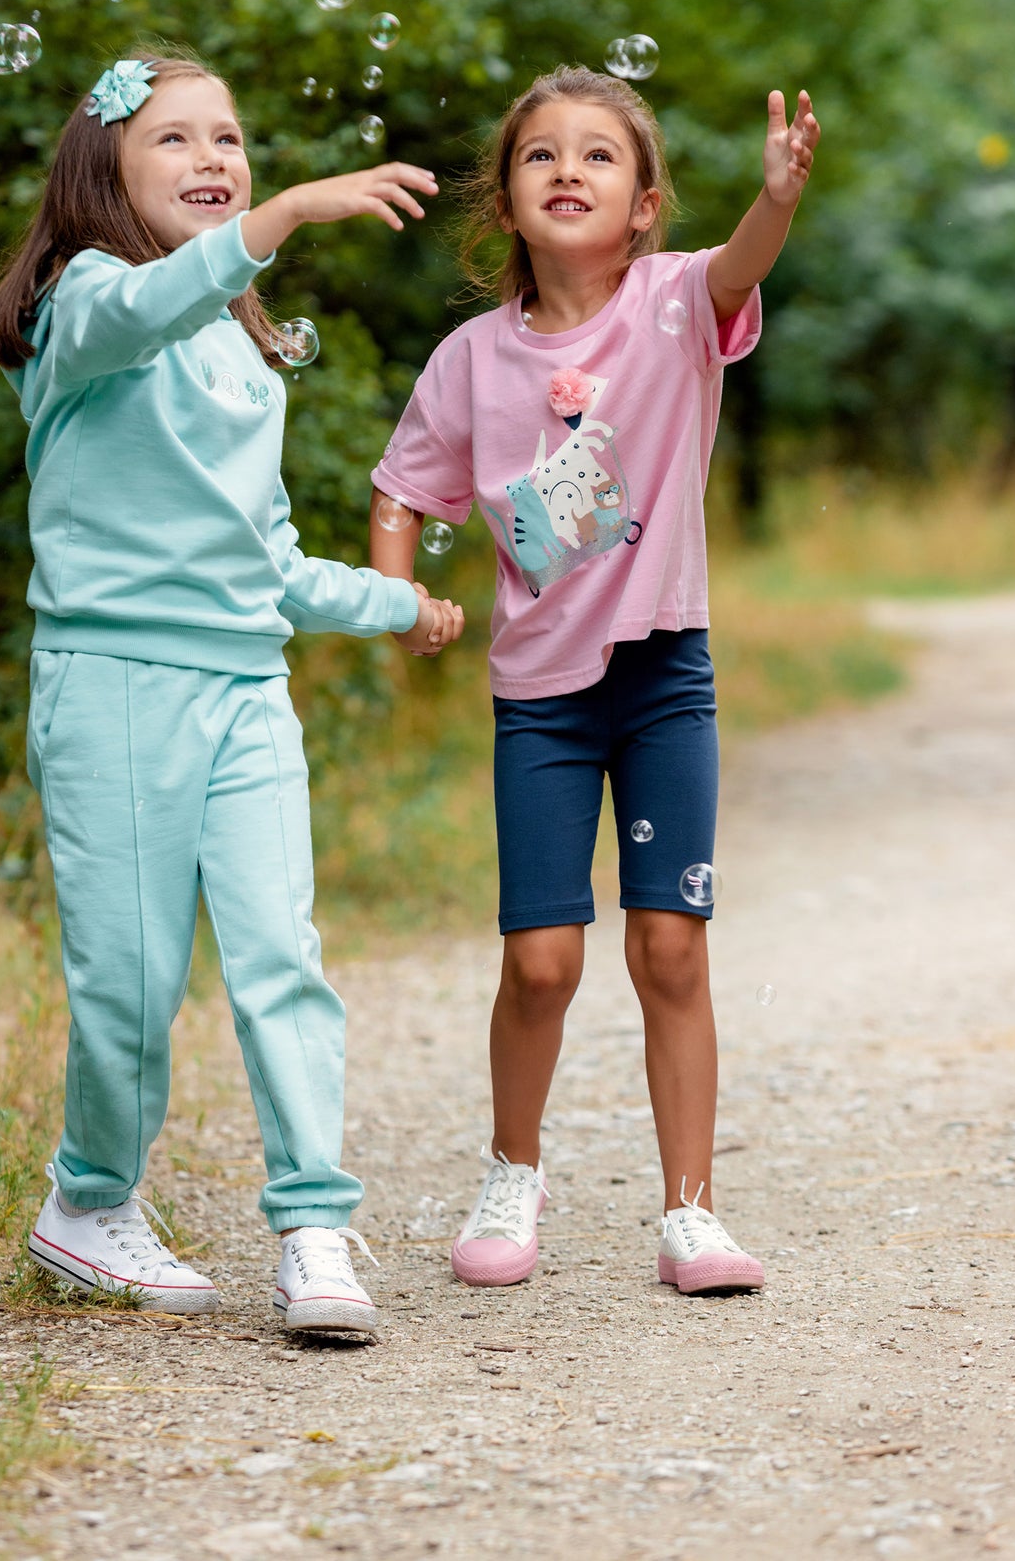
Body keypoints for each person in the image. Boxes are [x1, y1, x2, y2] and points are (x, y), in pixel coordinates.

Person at [0, 46, 463, 1331]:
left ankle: (313, 1225)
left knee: (279, 961)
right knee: (130, 979)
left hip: (245, 687)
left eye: (230, 140)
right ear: (105, 173)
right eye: (175, 140)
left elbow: (265, 554)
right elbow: (138, 312)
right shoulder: (82, 306)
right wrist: (285, 213)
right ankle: (86, 1206)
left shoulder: (242, 348)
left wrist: (395, 602)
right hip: (114, 684)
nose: (213, 160)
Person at [369, 63, 819, 1293]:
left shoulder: (678, 305)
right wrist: (400, 593)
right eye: (539, 155)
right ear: (504, 202)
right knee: (541, 960)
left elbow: (742, 263)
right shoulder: (469, 359)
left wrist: (774, 198)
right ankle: (512, 1171)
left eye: (598, 155)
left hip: (664, 673)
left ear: (643, 207)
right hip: (541, 702)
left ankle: (691, 1211)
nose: (567, 169)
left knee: (669, 945)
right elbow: (404, 487)